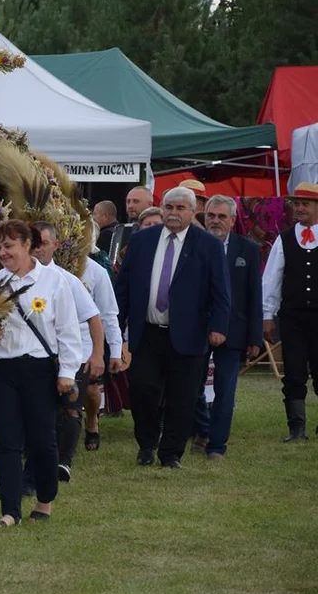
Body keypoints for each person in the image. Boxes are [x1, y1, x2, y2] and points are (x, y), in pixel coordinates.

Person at [116, 186, 230, 468]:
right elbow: (124, 288)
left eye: (181, 208)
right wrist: (115, 327)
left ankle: (171, 454)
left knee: (184, 397)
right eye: (169, 207)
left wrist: (218, 326)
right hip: (148, 332)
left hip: (189, 334)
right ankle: (146, 443)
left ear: (193, 212)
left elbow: (221, 293)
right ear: (161, 208)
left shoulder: (208, 245)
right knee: (142, 389)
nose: (174, 213)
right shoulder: (142, 240)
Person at [0, 220, 81, 527]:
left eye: (9, 246)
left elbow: (67, 330)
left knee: (42, 440)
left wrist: (67, 372)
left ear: (28, 245)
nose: (2, 253)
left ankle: (45, 500)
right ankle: (10, 511)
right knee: (6, 441)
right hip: (0, 369)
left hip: (39, 369)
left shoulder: (55, 281)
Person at [187, 195, 262, 459]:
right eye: (211, 216)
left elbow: (255, 295)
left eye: (221, 216)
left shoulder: (248, 250)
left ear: (232, 220)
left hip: (234, 331)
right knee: (193, 386)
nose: (216, 221)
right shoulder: (191, 245)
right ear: (203, 217)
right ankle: (203, 431)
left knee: (225, 390)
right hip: (195, 329)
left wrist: (255, 337)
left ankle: (217, 445)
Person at [30, 222, 104, 484]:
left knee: (71, 407)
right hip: (36, 357)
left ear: (55, 246)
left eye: (44, 244)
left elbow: (94, 317)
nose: (38, 250)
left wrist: (97, 354)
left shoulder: (67, 280)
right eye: (34, 244)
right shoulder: (13, 279)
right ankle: (39, 457)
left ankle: (64, 461)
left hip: (73, 355)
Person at [261, 181, 318, 442]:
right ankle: (297, 428)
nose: (300, 209)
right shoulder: (284, 239)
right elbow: (271, 279)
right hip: (293, 317)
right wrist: (267, 315)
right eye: (296, 204)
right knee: (293, 372)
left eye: (305, 204)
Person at [81, 226, 124, 453]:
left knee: (89, 390)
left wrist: (115, 350)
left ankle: (91, 421)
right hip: (55, 341)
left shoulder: (96, 271)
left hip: (88, 342)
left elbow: (108, 313)